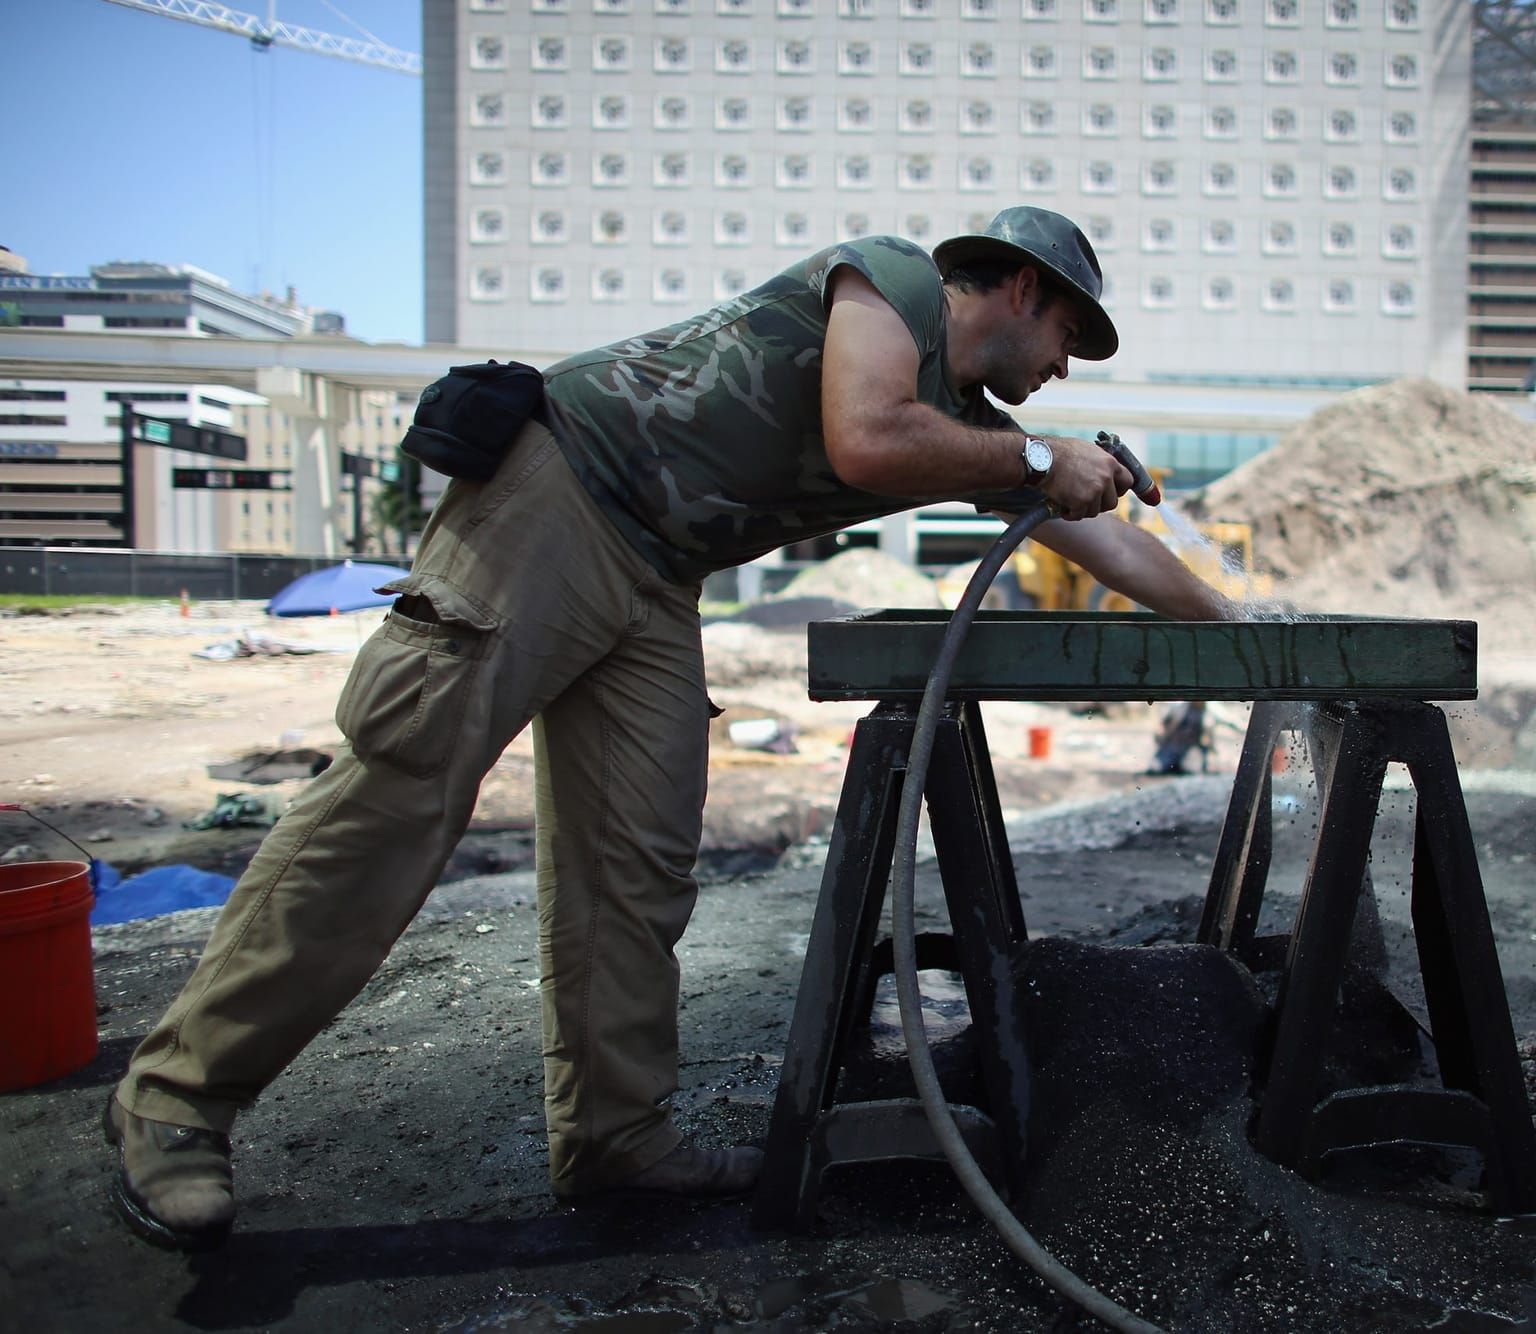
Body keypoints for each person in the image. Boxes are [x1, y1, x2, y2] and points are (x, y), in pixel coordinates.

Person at [104, 205, 1235, 1251]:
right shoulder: (888, 282)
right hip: (557, 494)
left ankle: (614, 1137)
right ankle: (175, 1101)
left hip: (657, 575)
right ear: (1022, 287)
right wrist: (1045, 460)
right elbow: (862, 436)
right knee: (397, 798)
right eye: (1065, 339)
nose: (1060, 371)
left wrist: (1243, 628)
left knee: (633, 860)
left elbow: (1120, 550)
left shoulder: (971, 430)